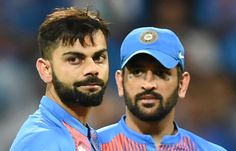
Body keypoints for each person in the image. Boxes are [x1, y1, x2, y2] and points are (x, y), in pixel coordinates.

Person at [97, 27, 227, 150]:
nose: (148, 84)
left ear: (182, 84)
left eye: (160, 73)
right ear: (120, 82)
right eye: (137, 72)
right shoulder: (90, 146)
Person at [10, 7, 109, 151]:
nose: (92, 69)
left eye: (99, 58)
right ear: (46, 70)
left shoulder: (76, 133)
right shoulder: (42, 142)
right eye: (74, 59)